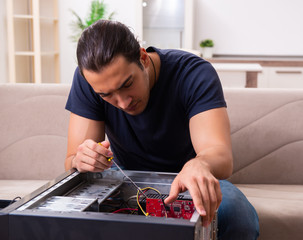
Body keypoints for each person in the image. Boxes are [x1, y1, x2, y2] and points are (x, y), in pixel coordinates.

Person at [65, 19, 259, 239]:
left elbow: (221, 156)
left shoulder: (193, 73)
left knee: (236, 214)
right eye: (106, 95)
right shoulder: (88, 82)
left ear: (143, 58)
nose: (122, 102)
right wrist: (82, 160)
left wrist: (199, 163)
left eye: (127, 84)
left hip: (190, 178)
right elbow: (72, 160)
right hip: (125, 178)